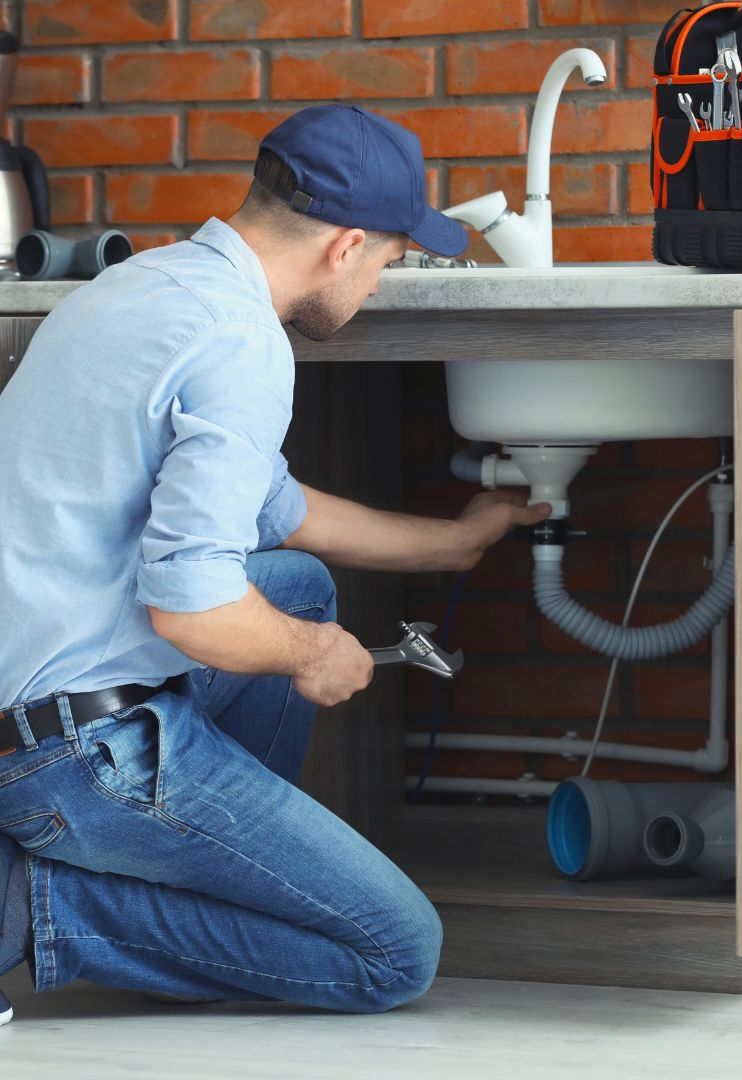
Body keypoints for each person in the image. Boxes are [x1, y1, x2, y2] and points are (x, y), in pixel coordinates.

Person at [0, 103, 550, 1024]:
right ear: (345, 246)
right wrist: (310, 655)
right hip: (72, 755)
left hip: (27, 705)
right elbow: (193, 611)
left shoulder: (148, 285)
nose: (381, 282)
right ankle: (35, 906)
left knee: (296, 585)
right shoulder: (243, 343)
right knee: (394, 952)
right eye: (389, 259)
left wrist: (452, 542)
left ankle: (202, 878)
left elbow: (280, 513)